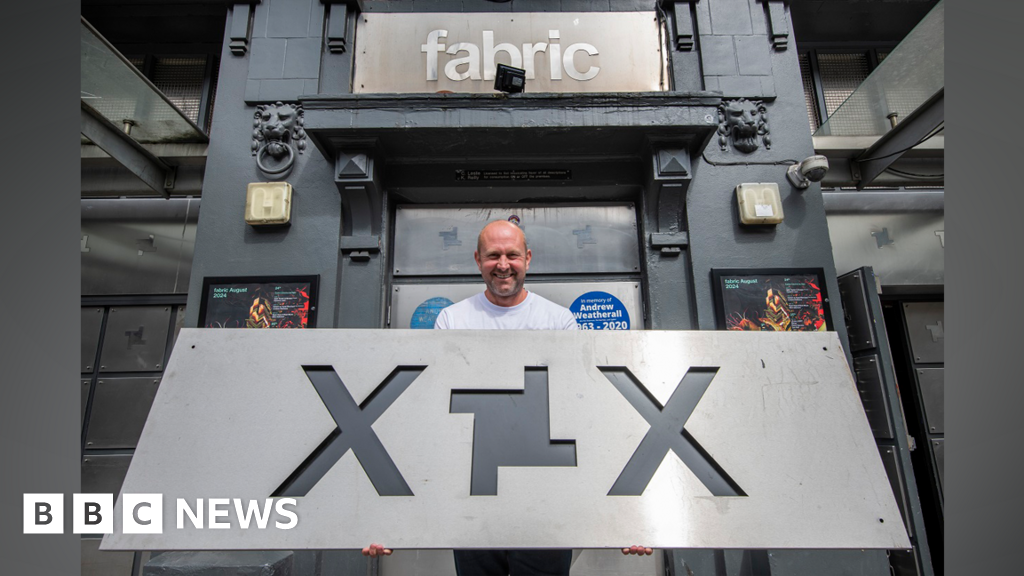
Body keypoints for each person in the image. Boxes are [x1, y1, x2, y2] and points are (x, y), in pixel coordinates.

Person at [363, 219, 652, 574]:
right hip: (473, 493)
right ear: (477, 260)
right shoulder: (452, 321)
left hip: (546, 495)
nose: (503, 265)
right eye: (493, 255)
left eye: (512, 255)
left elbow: (582, 416)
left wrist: (624, 517)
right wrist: (389, 518)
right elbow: (429, 418)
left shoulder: (559, 322)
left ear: (528, 258)